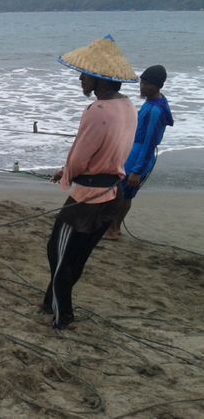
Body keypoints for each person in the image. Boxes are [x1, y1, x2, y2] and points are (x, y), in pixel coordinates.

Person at [41, 35, 138, 330]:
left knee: (58, 255)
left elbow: (82, 157)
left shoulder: (98, 111)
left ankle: (63, 316)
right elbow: (105, 152)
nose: (81, 80)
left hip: (87, 198)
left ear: (99, 80)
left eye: (85, 76)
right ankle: (49, 303)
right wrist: (66, 170)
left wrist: (69, 172)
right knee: (76, 256)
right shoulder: (129, 107)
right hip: (112, 194)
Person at [105, 65, 174, 239]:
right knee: (124, 193)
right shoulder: (153, 102)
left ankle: (113, 229)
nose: (141, 87)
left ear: (156, 86)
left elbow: (149, 142)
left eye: (145, 84)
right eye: (142, 82)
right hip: (135, 151)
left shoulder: (155, 110)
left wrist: (137, 170)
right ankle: (114, 228)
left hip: (139, 155)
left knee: (121, 193)